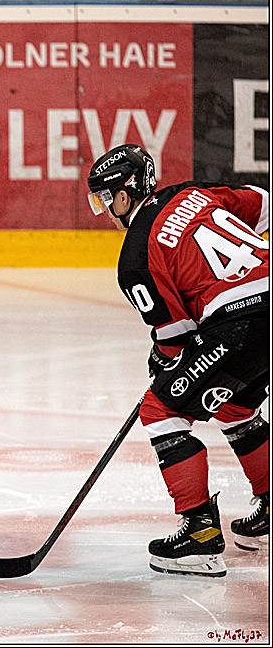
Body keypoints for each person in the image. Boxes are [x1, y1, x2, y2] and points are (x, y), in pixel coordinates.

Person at [86, 143, 269, 575]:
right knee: (232, 404)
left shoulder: (135, 257)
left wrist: (161, 362)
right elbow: (264, 204)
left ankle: (200, 534)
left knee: (161, 408)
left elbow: (176, 339)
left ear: (124, 196)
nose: (106, 212)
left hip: (242, 325)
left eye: (104, 200)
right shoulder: (191, 193)